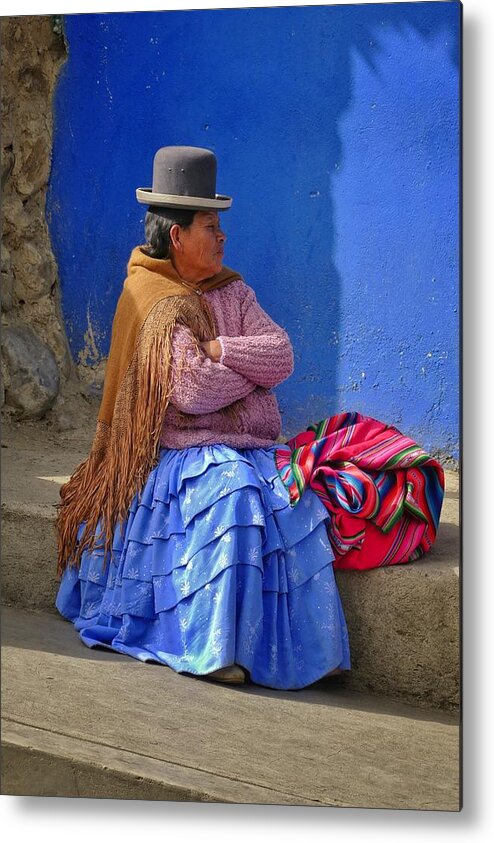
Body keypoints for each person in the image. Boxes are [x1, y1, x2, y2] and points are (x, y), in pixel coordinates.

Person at [55, 145, 351, 688]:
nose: (222, 237)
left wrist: (220, 351)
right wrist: (251, 386)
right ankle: (209, 648)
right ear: (177, 236)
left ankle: (303, 653)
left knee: (294, 497)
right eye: (210, 226)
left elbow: (281, 354)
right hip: (178, 455)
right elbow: (189, 391)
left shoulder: (232, 291)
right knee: (232, 493)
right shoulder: (151, 297)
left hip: (244, 445)